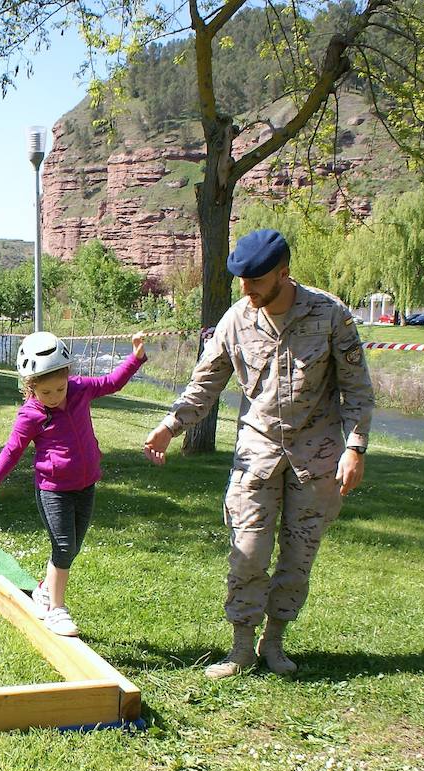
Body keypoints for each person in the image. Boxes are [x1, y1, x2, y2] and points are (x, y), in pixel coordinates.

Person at [142, 229, 374, 679]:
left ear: (284, 273)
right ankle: (241, 648)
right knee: (247, 550)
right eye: (240, 281)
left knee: (299, 554)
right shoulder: (235, 321)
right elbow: (205, 384)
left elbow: (357, 390)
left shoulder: (330, 315)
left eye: (256, 280)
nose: (246, 289)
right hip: (257, 451)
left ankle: (275, 642)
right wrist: (171, 426)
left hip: (317, 454)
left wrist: (355, 448)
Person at [0, 330, 148, 637]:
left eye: (59, 388)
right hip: (53, 490)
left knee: (72, 547)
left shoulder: (80, 390)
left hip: (86, 483)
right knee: (64, 545)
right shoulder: (30, 415)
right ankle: (56, 610)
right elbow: (12, 449)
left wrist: (134, 358)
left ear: (68, 376)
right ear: (30, 388)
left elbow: (112, 383)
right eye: (46, 392)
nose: (55, 397)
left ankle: (43, 591)